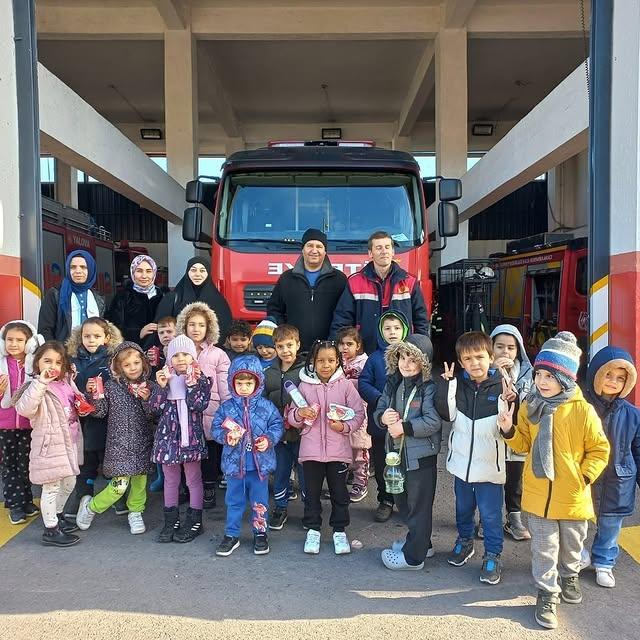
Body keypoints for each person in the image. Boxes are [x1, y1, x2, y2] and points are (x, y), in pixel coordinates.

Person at [498, 331, 610, 629]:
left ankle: (570, 574)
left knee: (573, 545)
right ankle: (547, 593)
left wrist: (583, 475)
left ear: (567, 379)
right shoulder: (529, 406)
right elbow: (522, 445)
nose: (542, 381)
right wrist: (509, 429)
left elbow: (599, 448)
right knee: (543, 548)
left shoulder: (582, 410)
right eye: (539, 374)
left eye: (550, 376)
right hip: (537, 494)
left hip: (573, 495)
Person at [435, 331, 512, 585]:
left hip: (489, 468)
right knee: (462, 509)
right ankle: (465, 541)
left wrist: (508, 424)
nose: (475, 363)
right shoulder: (458, 384)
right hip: (461, 466)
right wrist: (446, 385)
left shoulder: (503, 386)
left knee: (491, 516)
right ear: (461, 361)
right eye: (468, 359)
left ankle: (492, 555)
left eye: (480, 357)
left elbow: (510, 429)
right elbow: (447, 415)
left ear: (491, 357)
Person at [287, 340, 365, 555]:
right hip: (310, 452)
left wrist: (344, 426)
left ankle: (339, 530)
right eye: (320, 360)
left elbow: (359, 414)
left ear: (338, 361)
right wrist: (299, 414)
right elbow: (292, 417)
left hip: (338, 452)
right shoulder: (304, 386)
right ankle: (313, 529)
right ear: (313, 361)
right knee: (311, 493)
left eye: (331, 360)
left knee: (339, 492)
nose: (326, 365)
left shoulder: (346, 385)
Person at [375, 334, 442, 570]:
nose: (406, 363)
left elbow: (433, 422)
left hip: (420, 458)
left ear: (423, 363)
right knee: (402, 500)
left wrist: (404, 427)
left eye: (413, 360)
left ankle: (414, 558)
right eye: (403, 357)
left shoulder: (428, 387)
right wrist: (382, 418)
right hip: (396, 455)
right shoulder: (393, 382)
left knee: (418, 506)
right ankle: (423, 543)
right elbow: (380, 409)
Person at [75, 341, 156, 536]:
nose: (133, 368)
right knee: (118, 486)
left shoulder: (151, 386)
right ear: (118, 367)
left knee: (139, 484)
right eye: (127, 365)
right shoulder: (111, 387)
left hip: (142, 443)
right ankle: (92, 507)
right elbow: (100, 412)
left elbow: (154, 415)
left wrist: (147, 400)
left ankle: (136, 513)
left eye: (136, 363)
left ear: (143, 363)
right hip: (118, 445)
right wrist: (93, 394)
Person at [212, 355, 284, 556]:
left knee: (259, 502)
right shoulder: (226, 407)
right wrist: (227, 437)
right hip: (235, 467)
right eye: (239, 382)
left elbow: (277, 425)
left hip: (259, 467)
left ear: (258, 382)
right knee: (233, 501)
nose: (244, 387)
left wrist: (268, 439)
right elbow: (215, 428)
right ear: (232, 382)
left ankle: (260, 533)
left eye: (249, 382)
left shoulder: (266, 407)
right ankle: (231, 534)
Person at [13, 341, 83, 547]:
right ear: (37, 363)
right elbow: (25, 409)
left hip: (70, 442)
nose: (53, 365)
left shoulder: (66, 383)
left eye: (58, 362)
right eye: (47, 361)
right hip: (50, 446)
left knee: (70, 483)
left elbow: (75, 402)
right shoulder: (35, 385)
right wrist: (41, 382)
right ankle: (51, 529)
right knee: (51, 487)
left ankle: (58, 515)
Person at [583, 346, 640, 588]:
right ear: (595, 374)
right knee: (578, 520)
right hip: (586, 476)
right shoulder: (581, 406)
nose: (613, 382)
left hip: (619, 480)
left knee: (610, 524)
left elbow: (638, 449)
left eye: (620, 378)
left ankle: (604, 562)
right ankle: (579, 555)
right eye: (608, 375)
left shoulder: (632, 414)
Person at [150, 335, 212, 544]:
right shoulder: (164, 378)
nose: (181, 359)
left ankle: (195, 521)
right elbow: (155, 409)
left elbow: (198, 405)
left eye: (186, 354)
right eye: (175, 355)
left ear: (193, 356)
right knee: (171, 480)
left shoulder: (200, 378)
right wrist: (160, 387)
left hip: (191, 438)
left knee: (193, 479)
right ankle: (171, 521)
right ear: (169, 359)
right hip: (168, 439)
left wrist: (192, 384)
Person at [330, 231, 429, 354]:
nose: (384, 251)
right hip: (366, 352)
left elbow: (421, 320)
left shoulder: (409, 282)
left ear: (393, 252)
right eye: (378, 248)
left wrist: (422, 350)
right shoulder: (355, 282)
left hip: (402, 354)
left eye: (387, 247)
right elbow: (342, 320)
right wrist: (334, 351)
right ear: (370, 253)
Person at [63, 318, 123, 518]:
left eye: (97, 336)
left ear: (106, 338)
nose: (91, 340)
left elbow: (120, 387)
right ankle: (82, 497)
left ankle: (116, 498)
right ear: (80, 338)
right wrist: (82, 391)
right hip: (80, 422)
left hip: (106, 421)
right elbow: (65, 387)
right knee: (84, 464)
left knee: (109, 462)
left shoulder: (112, 360)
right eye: (87, 336)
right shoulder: (72, 360)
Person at [176, 302, 231, 509]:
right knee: (185, 451)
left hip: (211, 409)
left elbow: (225, 384)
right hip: (183, 411)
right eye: (191, 324)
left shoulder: (218, 354)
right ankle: (187, 487)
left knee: (208, 451)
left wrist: (227, 409)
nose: (196, 329)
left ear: (209, 328)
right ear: (184, 326)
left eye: (201, 325)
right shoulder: (177, 352)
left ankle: (208, 487)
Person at [358, 310, 410, 521]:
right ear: (380, 332)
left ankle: (406, 502)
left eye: (397, 328)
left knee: (405, 463)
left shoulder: (411, 356)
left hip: (406, 423)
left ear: (404, 331)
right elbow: (363, 383)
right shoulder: (374, 359)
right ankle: (385, 499)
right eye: (387, 328)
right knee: (382, 464)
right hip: (381, 424)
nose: (392, 332)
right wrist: (381, 399)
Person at [267, 228, 347, 352]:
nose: (314, 250)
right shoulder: (287, 278)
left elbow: (345, 314)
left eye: (319, 246)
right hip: (294, 352)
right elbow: (274, 309)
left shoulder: (339, 280)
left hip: (329, 351)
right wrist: (287, 336)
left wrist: (334, 341)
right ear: (302, 249)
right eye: (310, 245)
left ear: (325, 251)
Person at [490, 324, 533, 541]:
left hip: (517, 436)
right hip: (492, 438)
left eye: (510, 347)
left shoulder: (528, 374)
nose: (505, 352)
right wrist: (493, 373)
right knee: (492, 478)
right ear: (491, 348)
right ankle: (488, 518)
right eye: (499, 346)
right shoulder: (483, 371)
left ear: (518, 351)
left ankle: (514, 517)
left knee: (515, 480)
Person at [0, 321, 43, 524]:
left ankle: (26, 501)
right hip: (4, 425)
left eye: (19, 340)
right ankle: (15, 505)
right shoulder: (0, 362)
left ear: (29, 343)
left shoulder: (34, 364)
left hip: (28, 424)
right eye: (9, 340)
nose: (14, 344)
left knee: (26, 465)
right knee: (10, 465)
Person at [264, 324, 306, 530]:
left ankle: (310, 508)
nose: (285, 350)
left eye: (290, 345)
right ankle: (280, 507)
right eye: (280, 346)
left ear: (298, 345)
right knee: (280, 472)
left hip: (302, 433)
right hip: (278, 434)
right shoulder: (269, 372)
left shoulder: (306, 371)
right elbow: (262, 401)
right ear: (275, 348)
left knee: (306, 472)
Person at [154, 257, 232, 345]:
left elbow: (225, 331)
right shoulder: (172, 298)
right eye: (193, 270)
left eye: (202, 271)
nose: (197, 274)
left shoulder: (219, 301)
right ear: (187, 272)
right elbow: (160, 327)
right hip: (179, 353)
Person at [38, 250, 105, 343]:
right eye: (73, 267)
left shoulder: (98, 298)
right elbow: (45, 330)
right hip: (63, 354)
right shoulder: (55, 294)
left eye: (83, 267)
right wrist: (56, 353)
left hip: (93, 353)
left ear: (91, 269)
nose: (78, 271)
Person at [337, 326, 371, 503]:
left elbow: (364, 385)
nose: (344, 348)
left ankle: (361, 483)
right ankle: (340, 484)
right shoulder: (337, 362)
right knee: (343, 449)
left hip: (360, 412)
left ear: (358, 345)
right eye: (341, 344)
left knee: (360, 450)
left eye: (349, 344)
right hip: (341, 413)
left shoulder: (364, 363)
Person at [106, 255, 164, 350]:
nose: (144, 276)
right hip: (130, 351)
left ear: (154, 273)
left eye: (149, 271)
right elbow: (114, 327)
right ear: (133, 272)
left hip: (159, 352)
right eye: (139, 271)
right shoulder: (122, 297)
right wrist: (138, 333)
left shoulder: (163, 296)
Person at [148, 315, 176, 493]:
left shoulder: (180, 351)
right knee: (160, 441)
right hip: (160, 400)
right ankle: (161, 476)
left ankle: (174, 480)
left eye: (169, 331)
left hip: (176, 400)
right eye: (161, 332)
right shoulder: (155, 352)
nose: (166, 335)